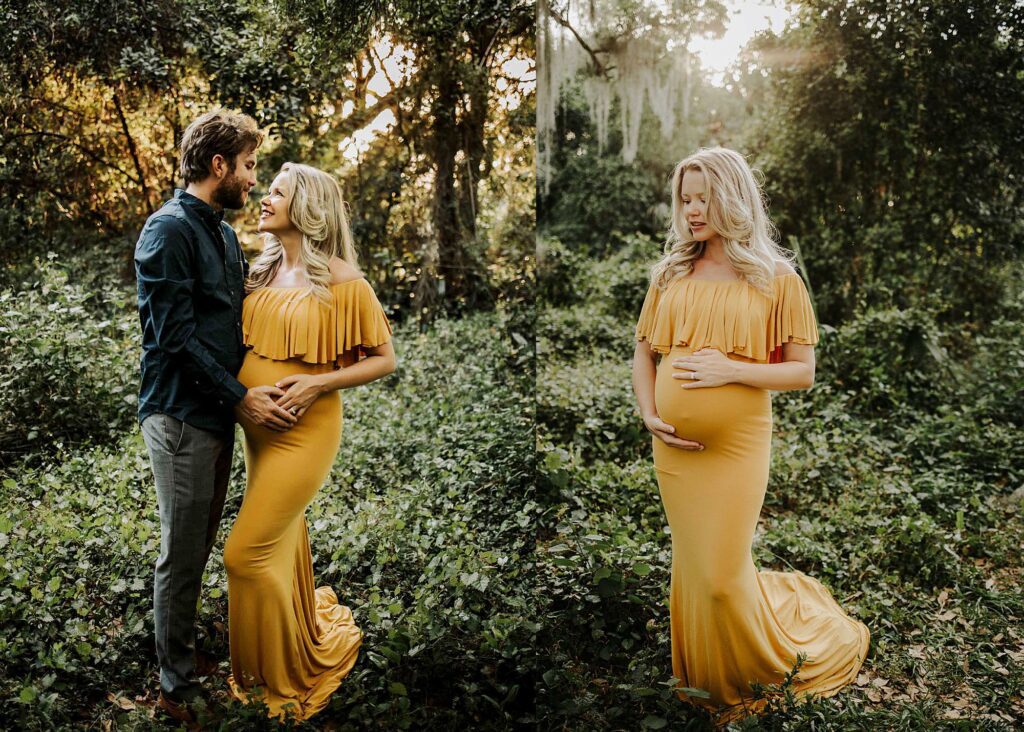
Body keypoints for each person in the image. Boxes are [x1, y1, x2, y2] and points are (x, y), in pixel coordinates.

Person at [631, 147, 870, 724]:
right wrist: (648, 413)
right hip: (675, 450)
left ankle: (762, 670)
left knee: (718, 576)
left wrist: (731, 369)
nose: (691, 210)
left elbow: (802, 371)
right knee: (692, 565)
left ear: (732, 197)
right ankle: (703, 685)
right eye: (685, 199)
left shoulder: (776, 278)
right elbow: (644, 350)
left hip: (738, 446)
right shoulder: (671, 273)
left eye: (703, 197)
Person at [134, 109, 300, 723]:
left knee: (201, 541)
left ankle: (182, 653)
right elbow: (172, 338)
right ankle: (175, 685)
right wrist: (239, 396)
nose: (254, 180)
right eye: (251, 166)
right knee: (182, 550)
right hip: (180, 413)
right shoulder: (167, 230)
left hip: (218, 411)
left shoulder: (225, 236)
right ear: (219, 165)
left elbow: (240, 316)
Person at [223, 162, 396, 721]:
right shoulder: (260, 271)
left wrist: (319, 382)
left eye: (277, 191)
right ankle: (279, 644)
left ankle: (284, 674)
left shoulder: (343, 279)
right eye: (267, 187)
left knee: (244, 554)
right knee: (282, 542)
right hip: (258, 431)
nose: (264, 197)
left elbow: (384, 359)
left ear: (307, 207)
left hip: (305, 433)